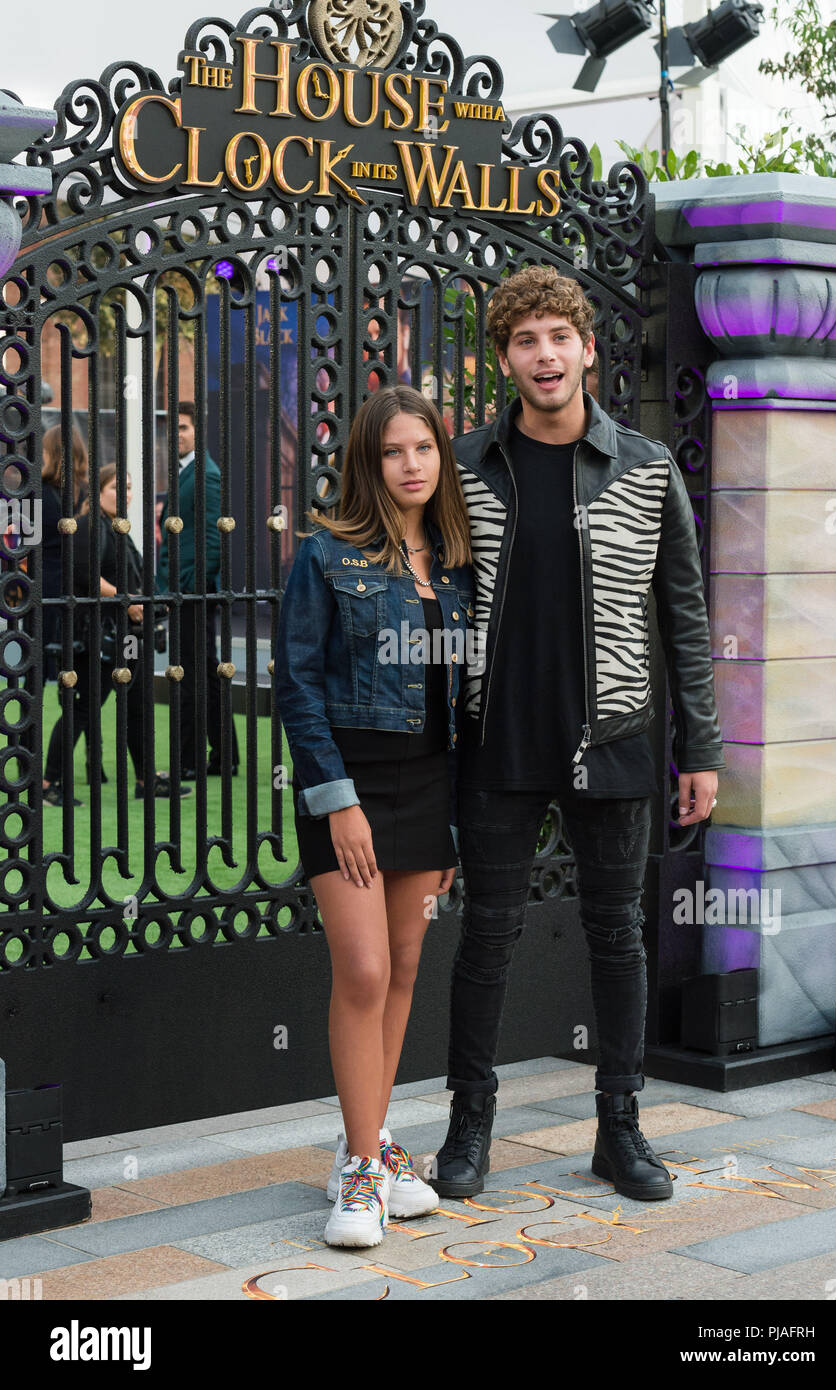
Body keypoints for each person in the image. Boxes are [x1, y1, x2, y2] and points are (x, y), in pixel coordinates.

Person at [431, 264, 725, 1203]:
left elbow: (683, 614)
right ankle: (468, 1127)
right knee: (487, 938)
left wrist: (704, 752)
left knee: (616, 938)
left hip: (618, 735)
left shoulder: (645, 469)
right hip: (499, 739)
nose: (545, 354)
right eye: (525, 340)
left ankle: (621, 1129)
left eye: (559, 336)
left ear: (588, 350)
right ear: (506, 360)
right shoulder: (465, 466)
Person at [275, 384, 475, 1248]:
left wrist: (461, 822)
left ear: (441, 455)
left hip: (431, 790)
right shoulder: (326, 556)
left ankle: (370, 1144)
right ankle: (361, 1176)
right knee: (359, 971)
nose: (410, 465)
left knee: (400, 968)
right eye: (393, 451)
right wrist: (339, 802)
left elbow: (465, 705)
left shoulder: (461, 562)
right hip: (348, 789)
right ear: (368, 459)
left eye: (423, 448)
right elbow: (297, 685)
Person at [43, 465, 191, 804]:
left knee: (137, 705)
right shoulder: (86, 526)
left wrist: (149, 601)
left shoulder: (117, 528)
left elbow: (133, 575)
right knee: (85, 708)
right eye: (116, 487)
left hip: (128, 634)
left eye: (128, 487)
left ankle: (145, 779)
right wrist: (126, 599)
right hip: (99, 634)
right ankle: (49, 783)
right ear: (97, 490)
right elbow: (86, 577)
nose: (125, 493)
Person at [155, 402, 239, 778]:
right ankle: (225, 755)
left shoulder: (206, 474)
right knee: (204, 670)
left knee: (191, 674)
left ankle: (189, 762)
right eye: (174, 430)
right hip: (185, 590)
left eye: (184, 428)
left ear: (198, 433)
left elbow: (211, 539)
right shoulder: (186, 472)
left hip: (194, 592)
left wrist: (190, 589)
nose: (178, 436)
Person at [41, 423, 88, 684]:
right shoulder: (88, 492)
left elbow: (19, 541)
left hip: (45, 582)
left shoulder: (35, 489)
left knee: (40, 658)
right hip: (80, 584)